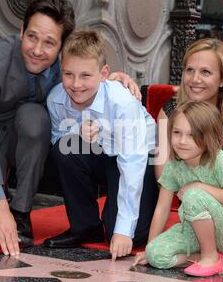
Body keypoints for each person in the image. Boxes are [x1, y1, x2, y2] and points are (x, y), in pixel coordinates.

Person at [0, 0, 140, 257]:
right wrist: (0, 208)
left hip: (25, 133)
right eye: (32, 37)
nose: (37, 50)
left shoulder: (66, 66)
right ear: (22, 30)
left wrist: (111, 82)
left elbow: (87, 69)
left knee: (35, 119)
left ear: (61, 47)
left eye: (49, 42)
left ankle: (22, 210)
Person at [43, 29, 159, 261]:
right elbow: (56, 141)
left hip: (140, 161)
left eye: (86, 75)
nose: (76, 84)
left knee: (131, 235)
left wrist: (123, 231)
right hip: (101, 156)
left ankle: (126, 212)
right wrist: (76, 131)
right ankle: (85, 226)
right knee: (65, 148)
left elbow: (132, 165)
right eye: (68, 74)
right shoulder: (56, 99)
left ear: (104, 74)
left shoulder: (122, 102)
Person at [155, 38, 223, 249]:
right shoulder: (169, 110)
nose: (194, 79)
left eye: (206, 72)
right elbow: (162, 172)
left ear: (222, 79)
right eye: (189, 70)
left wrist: (194, 158)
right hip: (191, 202)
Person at [133, 102, 223, 277]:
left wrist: (199, 186)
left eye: (192, 135)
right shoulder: (174, 165)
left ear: (209, 137)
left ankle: (210, 257)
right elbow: (162, 208)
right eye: (177, 133)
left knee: (193, 195)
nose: (182, 141)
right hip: (194, 230)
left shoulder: (218, 159)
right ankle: (216, 257)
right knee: (155, 255)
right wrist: (148, 247)